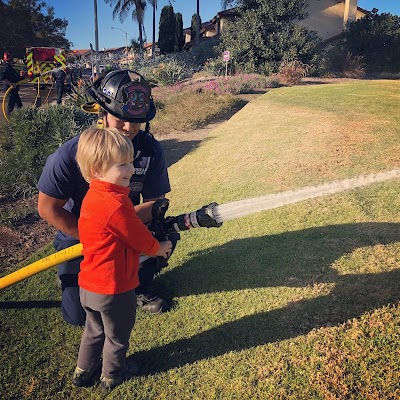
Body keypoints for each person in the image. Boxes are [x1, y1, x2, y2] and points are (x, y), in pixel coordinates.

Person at [37, 69, 180, 327]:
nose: (128, 128)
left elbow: (156, 202)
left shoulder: (150, 149)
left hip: (124, 226)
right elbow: (48, 208)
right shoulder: (69, 155)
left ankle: (137, 286)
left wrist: (122, 231)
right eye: (120, 119)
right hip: (77, 237)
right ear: (102, 113)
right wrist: (95, 237)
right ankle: (72, 276)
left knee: (165, 235)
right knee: (78, 318)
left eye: (135, 121)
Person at [72, 127, 172, 390]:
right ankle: (113, 375)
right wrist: (159, 247)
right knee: (116, 336)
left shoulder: (93, 197)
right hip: (113, 289)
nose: (130, 169)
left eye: (130, 162)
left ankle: (83, 372)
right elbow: (139, 238)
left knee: (94, 331)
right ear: (97, 170)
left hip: (89, 286)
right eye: (121, 164)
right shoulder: (116, 204)